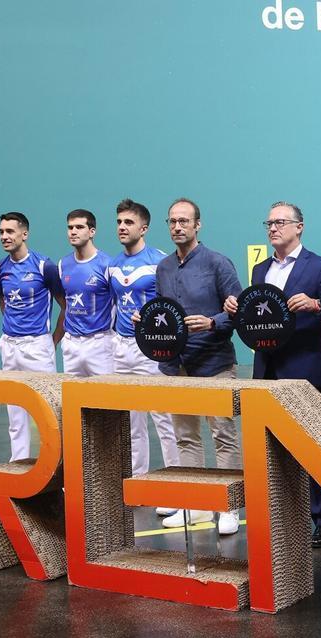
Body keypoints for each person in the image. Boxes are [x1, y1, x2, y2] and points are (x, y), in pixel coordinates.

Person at [223, 201, 321, 547]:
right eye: (269, 223)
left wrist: (317, 305)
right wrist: (234, 308)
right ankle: (283, 517)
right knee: (272, 450)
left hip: (304, 371)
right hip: (267, 370)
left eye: (280, 222)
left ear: (299, 226)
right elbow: (254, 320)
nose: (273, 228)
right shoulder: (260, 271)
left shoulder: (320, 267)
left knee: (313, 449)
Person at [154, 198, 244, 535]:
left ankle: (229, 509)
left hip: (215, 364)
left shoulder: (218, 264)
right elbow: (162, 312)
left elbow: (239, 312)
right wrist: (145, 321)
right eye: (173, 221)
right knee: (186, 438)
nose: (178, 227)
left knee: (224, 436)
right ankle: (195, 507)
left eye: (184, 221)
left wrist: (211, 322)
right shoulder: (163, 268)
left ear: (198, 225)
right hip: (177, 367)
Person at [109, 199, 180, 495]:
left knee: (163, 418)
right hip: (120, 348)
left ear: (144, 228)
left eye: (129, 222)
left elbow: (172, 303)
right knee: (131, 420)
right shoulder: (113, 264)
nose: (122, 227)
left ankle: (174, 484)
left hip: (151, 350)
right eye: (119, 222)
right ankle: (139, 482)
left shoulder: (160, 261)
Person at [0, 212, 65, 462]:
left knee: (49, 413)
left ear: (24, 234)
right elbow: (4, 305)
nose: (4, 236)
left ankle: (56, 470)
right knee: (15, 413)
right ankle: (18, 464)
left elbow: (65, 306)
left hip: (37, 346)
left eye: (10, 231)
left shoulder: (45, 266)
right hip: (10, 346)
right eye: (1, 231)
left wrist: (52, 341)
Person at [58, 209, 115, 377]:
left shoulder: (107, 264)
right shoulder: (63, 264)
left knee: (104, 399)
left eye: (79, 227)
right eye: (70, 227)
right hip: (71, 344)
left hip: (100, 344)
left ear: (92, 232)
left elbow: (118, 303)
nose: (73, 232)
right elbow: (65, 303)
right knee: (73, 399)